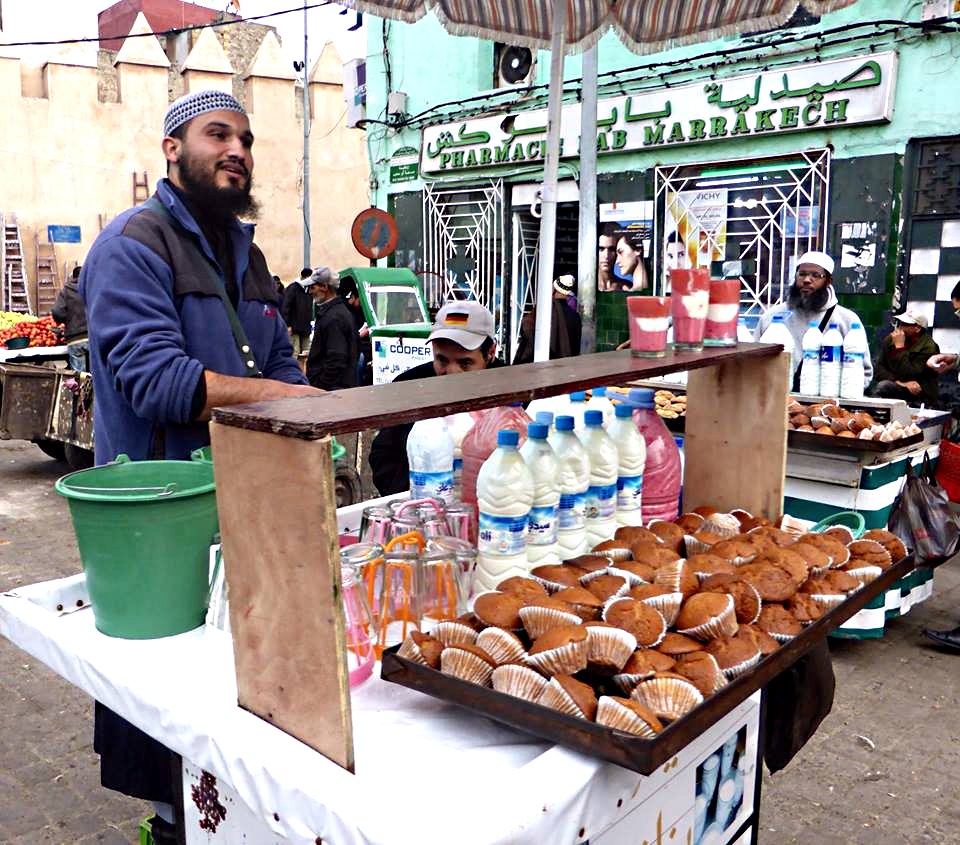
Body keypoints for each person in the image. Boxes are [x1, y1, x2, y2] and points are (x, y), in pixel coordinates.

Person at [79, 89, 319, 844]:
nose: (238, 149)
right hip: (158, 524)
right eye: (218, 133)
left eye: (246, 138)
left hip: (246, 514)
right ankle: (167, 829)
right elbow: (159, 384)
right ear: (173, 150)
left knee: (236, 699)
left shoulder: (249, 256)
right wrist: (284, 395)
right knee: (167, 722)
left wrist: (321, 413)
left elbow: (284, 364)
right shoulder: (132, 245)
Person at [369, 300, 503, 495]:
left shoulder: (511, 389)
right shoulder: (410, 384)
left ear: (490, 353)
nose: (452, 372)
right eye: (442, 360)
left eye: (465, 363)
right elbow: (384, 455)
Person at [753, 250, 873, 392]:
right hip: (777, 398)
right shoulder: (772, 317)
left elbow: (863, 373)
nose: (807, 280)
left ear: (828, 281)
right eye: (802, 274)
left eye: (816, 275)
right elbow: (754, 362)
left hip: (826, 402)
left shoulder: (846, 319)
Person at [870, 310, 941, 407]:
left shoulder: (929, 347)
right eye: (899, 323)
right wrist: (899, 382)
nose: (900, 327)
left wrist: (899, 348)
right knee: (883, 387)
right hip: (898, 385)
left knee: (884, 386)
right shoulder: (890, 340)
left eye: (905, 324)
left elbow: (909, 374)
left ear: (917, 328)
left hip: (920, 394)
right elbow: (879, 370)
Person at [305, 266, 359, 391]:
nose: (310, 292)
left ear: (324, 287)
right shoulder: (337, 312)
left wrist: (319, 386)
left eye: (313, 287)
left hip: (333, 390)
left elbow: (337, 359)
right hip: (338, 388)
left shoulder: (334, 317)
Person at [513, 275, 581, 363]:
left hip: (545, 365)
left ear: (554, 290)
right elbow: (576, 348)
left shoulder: (545, 311)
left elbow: (526, 326)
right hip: (567, 367)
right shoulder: (576, 316)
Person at [52, 265, 89, 372]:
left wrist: (64, 320)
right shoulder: (93, 289)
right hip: (94, 337)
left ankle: (81, 387)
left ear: (73, 277)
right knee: (97, 375)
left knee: (79, 376)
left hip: (75, 339)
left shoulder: (66, 291)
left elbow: (57, 312)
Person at [339, 276, 372, 385]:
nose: (362, 304)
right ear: (353, 297)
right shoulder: (345, 311)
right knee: (360, 360)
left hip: (362, 344)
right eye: (360, 300)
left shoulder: (359, 311)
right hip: (352, 348)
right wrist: (360, 334)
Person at [281, 267, 315, 356]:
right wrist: (287, 325)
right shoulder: (293, 288)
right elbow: (285, 307)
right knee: (294, 352)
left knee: (306, 353)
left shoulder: (309, 290)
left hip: (306, 328)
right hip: (294, 327)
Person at [597, 223, 619, 292]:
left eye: (611, 249)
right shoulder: (581, 285)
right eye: (601, 249)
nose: (606, 256)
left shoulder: (626, 286)